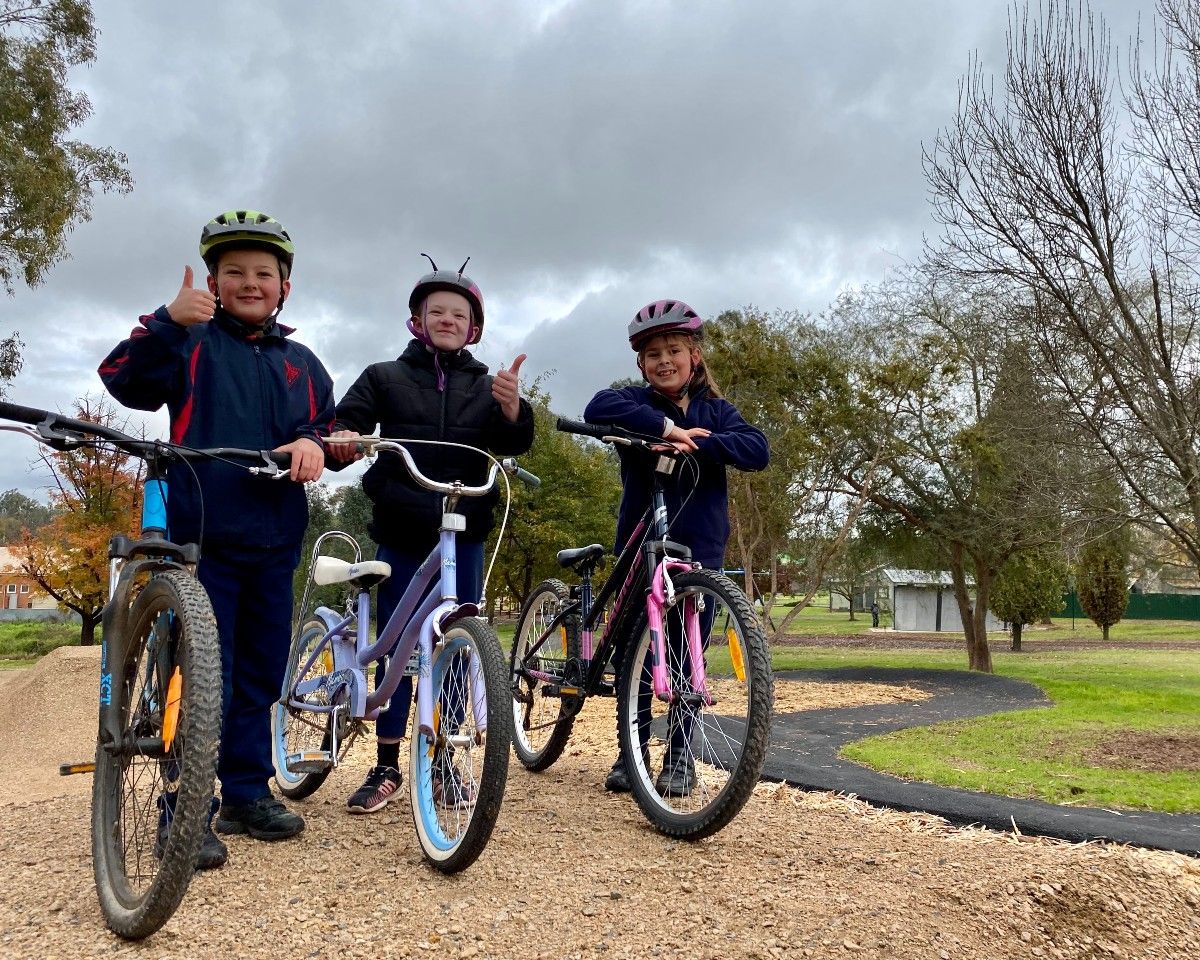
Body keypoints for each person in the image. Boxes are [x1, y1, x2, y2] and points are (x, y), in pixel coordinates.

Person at [99, 210, 335, 868]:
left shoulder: (305, 364)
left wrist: (318, 443)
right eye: (235, 273)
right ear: (212, 280)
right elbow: (122, 379)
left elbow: (330, 428)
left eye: (265, 273)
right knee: (203, 671)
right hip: (202, 535)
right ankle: (184, 805)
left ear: (285, 286)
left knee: (259, 671)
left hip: (276, 538)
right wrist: (167, 320)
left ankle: (245, 792)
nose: (250, 282)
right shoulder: (191, 342)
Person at [326, 256, 534, 814]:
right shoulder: (383, 376)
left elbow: (513, 443)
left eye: (458, 313)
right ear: (416, 320)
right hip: (402, 524)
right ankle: (387, 764)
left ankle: (443, 762)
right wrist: (343, 434)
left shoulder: (489, 385)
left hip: (462, 527)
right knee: (396, 644)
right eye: (435, 310)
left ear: (474, 327)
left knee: (457, 646)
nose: (446, 318)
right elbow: (348, 420)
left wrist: (514, 411)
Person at [583, 300, 769, 795]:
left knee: (690, 655)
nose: (664, 361)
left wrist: (700, 443)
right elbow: (598, 408)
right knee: (634, 653)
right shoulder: (637, 405)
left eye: (674, 350)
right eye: (653, 355)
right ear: (641, 365)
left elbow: (757, 449)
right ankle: (632, 750)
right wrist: (665, 430)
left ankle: (681, 756)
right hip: (642, 542)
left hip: (701, 546)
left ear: (694, 355)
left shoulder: (717, 412)